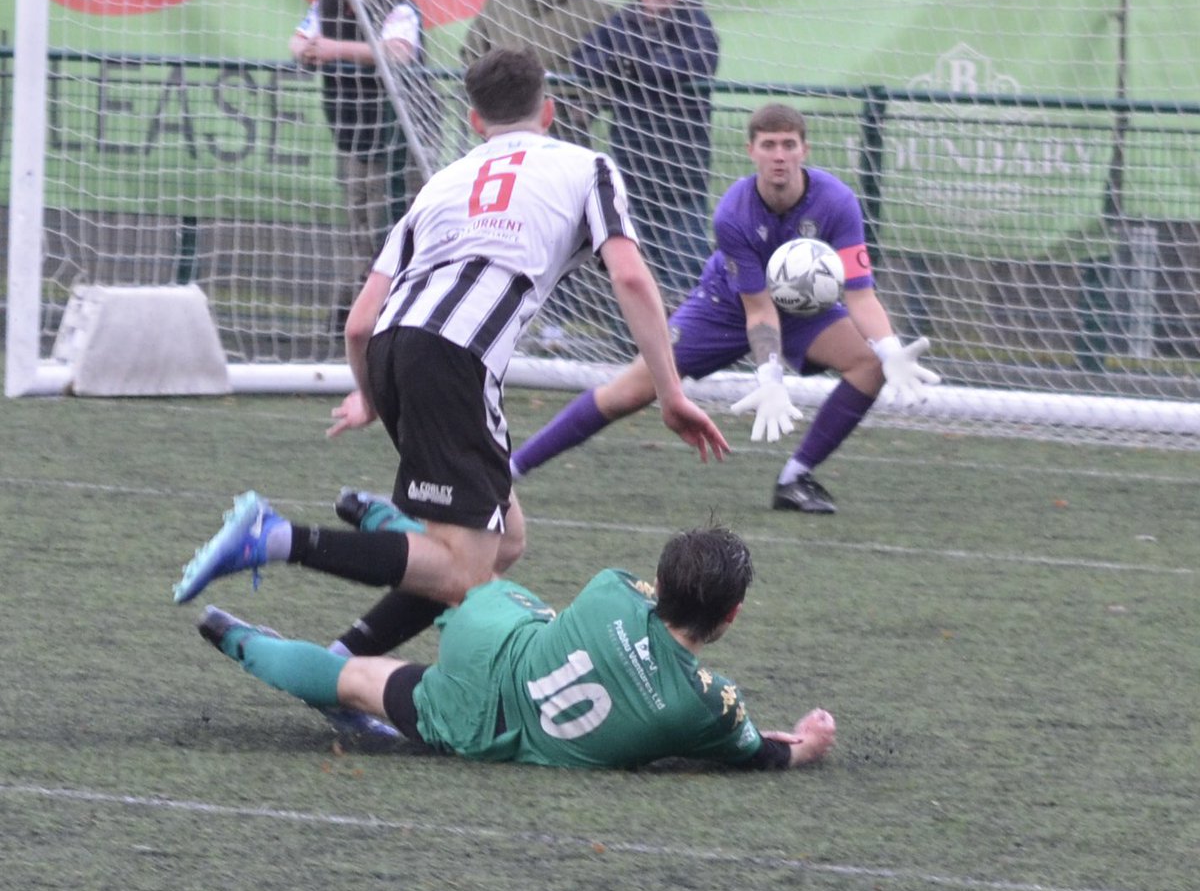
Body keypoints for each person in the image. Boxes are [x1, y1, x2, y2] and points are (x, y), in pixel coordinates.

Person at [174, 49, 729, 663]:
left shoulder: (442, 181)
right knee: (464, 572)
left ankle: (344, 653)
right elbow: (629, 277)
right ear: (548, 110)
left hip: (391, 347)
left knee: (505, 540)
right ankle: (275, 539)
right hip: (455, 357)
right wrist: (671, 392)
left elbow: (359, 322)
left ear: (473, 121)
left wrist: (373, 397)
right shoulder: (587, 165)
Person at [510, 103, 941, 515]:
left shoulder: (838, 202)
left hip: (803, 309)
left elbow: (861, 296)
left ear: (804, 151)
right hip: (725, 306)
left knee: (869, 365)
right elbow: (758, 310)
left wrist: (889, 349)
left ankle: (795, 478)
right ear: (750, 149)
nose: (779, 156)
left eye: (789, 145)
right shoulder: (733, 212)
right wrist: (770, 374)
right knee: (630, 391)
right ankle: (510, 468)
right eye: (769, 145)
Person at [192, 520, 837, 770]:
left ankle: (390, 528)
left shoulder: (614, 588)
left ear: (661, 583)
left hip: (494, 643)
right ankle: (231, 635)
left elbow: (636, 614)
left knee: (474, 578)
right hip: (486, 727)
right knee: (355, 682)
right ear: (733, 614)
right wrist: (808, 741)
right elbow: (765, 755)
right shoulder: (709, 707)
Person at [289, 0, 433, 331]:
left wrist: (335, 50)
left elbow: (398, 51)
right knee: (358, 223)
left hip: (402, 137)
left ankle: (401, 310)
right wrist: (308, 51)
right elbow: (299, 39)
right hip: (351, 133)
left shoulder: (397, 2)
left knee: (398, 222)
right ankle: (360, 308)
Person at [573, 0, 720, 297]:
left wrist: (633, 69)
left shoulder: (696, 22)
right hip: (631, 165)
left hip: (681, 168)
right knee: (632, 266)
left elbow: (698, 62)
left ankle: (686, 343)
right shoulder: (622, 20)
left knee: (684, 266)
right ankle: (626, 339)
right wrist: (622, 66)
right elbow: (583, 59)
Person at [461, 0, 611, 147]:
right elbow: (472, 51)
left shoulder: (597, 9)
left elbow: (609, 65)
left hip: (565, 127)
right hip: (502, 121)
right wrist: (485, 97)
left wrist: (587, 107)